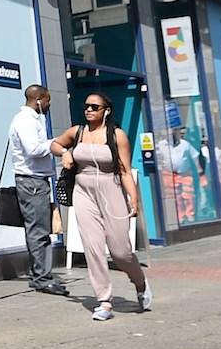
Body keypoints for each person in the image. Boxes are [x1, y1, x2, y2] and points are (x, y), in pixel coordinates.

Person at [51, 93, 149, 322]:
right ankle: (104, 301)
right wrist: (65, 153)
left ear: (106, 110)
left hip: (111, 189)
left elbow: (124, 170)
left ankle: (140, 282)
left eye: (94, 106)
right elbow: (55, 143)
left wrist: (133, 199)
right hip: (83, 192)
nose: (89, 110)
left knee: (120, 251)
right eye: (86, 106)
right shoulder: (77, 132)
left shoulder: (117, 136)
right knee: (92, 248)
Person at [7, 85, 68, 297]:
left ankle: (39, 274)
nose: (49, 104)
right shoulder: (24, 121)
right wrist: (56, 144)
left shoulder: (32, 119)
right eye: (48, 100)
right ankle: (42, 278)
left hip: (36, 181)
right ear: (39, 99)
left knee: (38, 230)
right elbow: (33, 149)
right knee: (38, 231)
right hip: (31, 182)